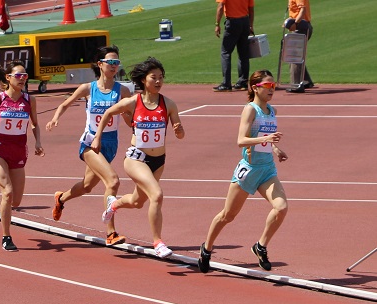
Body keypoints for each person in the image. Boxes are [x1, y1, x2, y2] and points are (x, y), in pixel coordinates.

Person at [92, 57, 185, 258]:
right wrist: (97, 137)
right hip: (136, 158)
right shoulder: (134, 102)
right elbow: (108, 113)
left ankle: (113, 204)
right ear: (143, 80)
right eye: (154, 78)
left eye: (161, 78)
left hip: (158, 161)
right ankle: (158, 242)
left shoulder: (168, 104)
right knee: (157, 195)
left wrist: (179, 130)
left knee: (137, 201)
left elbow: (180, 134)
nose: (158, 81)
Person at [198, 69, 289, 273]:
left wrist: (275, 148)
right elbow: (241, 141)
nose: (271, 89)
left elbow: (266, 140)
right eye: (267, 86)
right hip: (248, 170)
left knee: (281, 207)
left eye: (273, 85)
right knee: (227, 216)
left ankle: (261, 246)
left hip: (267, 169)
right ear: (255, 88)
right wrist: (265, 139)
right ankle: (206, 248)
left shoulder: (272, 111)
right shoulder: (250, 110)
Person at [46, 46, 132, 246]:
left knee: (86, 186)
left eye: (117, 62)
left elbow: (129, 118)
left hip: (110, 143)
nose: (114, 66)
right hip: (90, 143)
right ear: (100, 64)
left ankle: (61, 199)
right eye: (110, 62)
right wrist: (55, 118)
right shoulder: (88, 88)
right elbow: (65, 104)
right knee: (112, 181)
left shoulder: (123, 90)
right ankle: (111, 233)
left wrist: (129, 116)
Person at [0, 59, 44, 251]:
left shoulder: (30, 100)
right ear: (8, 78)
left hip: (19, 151)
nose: (22, 79)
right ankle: (6, 236)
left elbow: (35, 124)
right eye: (18, 76)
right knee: (7, 192)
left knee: (17, 201)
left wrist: (38, 141)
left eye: (25, 76)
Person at [213, 0, 254, 92]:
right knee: (243, 53)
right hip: (245, 21)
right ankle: (242, 82)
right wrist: (251, 25)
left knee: (225, 52)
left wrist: (217, 24)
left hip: (233, 22)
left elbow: (220, 6)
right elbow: (251, 9)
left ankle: (226, 83)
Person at [285, 0, 314, 93]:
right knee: (297, 54)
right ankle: (306, 81)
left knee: (294, 56)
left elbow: (302, 10)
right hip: (301, 26)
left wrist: (295, 23)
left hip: (301, 27)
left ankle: (296, 85)